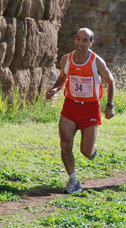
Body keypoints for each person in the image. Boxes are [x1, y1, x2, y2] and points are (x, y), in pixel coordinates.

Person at [46, 27, 115, 194]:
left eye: (85, 40)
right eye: (78, 39)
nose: (80, 43)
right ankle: (73, 180)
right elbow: (62, 78)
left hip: (90, 108)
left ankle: (92, 150)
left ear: (91, 43)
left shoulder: (96, 61)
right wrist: (55, 89)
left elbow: (110, 81)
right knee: (65, 144)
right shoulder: (66, 59)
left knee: (86, 151)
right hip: (71, 106)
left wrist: (109, 105)